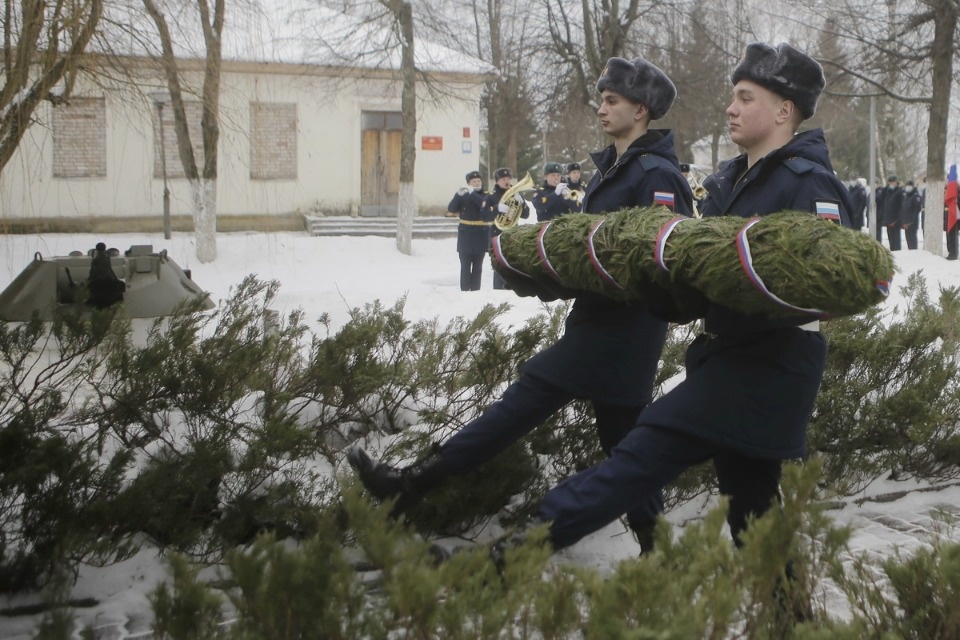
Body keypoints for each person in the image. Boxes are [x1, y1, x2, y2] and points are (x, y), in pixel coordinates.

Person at [502, 42, 854, 560]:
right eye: (732, 97)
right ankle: (788, 618)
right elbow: (698, 279)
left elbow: (828, 282)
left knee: (642, 450)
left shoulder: (810, 184)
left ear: (784, 110)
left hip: (768, 368)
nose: (730, 108)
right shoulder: (731, 183)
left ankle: (511, 555)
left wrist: (737, 279)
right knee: (754, 517)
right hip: (727, 358)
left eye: (745, 97)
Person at [348, 55, 693, 554]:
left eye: (612, 100)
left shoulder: (658, 176)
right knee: (627, 452)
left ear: (640, 110)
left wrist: (585, 270)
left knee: (523, 402)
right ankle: (658, 548)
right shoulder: (613, 170)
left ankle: (414, 483)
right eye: (601, 98)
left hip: (622, 335)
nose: (601, 107)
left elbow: (661, 258)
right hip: (597, 325)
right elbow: (589, 249)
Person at [448, 170, 494, 291]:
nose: (477, 183)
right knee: (465, 265)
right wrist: (458, 195)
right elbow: (451, 208)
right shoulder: (464, 195)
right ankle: (464, 290)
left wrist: (473, 194)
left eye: (478, 181)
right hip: (466, 234)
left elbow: (484, 206)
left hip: (481, 233)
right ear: (468, 183)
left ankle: (475, 291)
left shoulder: (486, 195)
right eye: (474, 181)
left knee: (478, 266)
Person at [487, 167, 528, 289]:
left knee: (513, 263)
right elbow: (484, 215)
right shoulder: (491, 196)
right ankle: (498, 289)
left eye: (508, 178)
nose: (506, 181)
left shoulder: (515, 194)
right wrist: (496, 208)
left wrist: (523, 203)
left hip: (512, 234)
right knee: (499, 264)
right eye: (503, 179)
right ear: (497, 181)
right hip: (497, 234)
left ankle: (513, 289)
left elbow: (526, 215)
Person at [86, 242, 125, 309]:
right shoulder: (107, 258)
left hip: (97, 282)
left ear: (97, 249)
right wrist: (116, 280)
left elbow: (92, 272)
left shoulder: (95, 260)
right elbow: (110, 270)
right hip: (108, 281)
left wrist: (89, 281)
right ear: (105, 248)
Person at [876, 175, 903, 249]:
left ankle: (897, 253)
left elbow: (901, 207)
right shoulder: (887, 192)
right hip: (888, 220)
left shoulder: (899, 192)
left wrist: (896, 220)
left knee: (896, 241)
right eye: (890, 182)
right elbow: (881, 199)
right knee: (891, 240)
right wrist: (885, 188)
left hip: (895, 221)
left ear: (896, 182)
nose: (891, 184)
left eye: (893, 182)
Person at [898, 179, 923, 250]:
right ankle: (910, 252)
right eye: (907, 185)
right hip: (905, 222)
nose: (908, 187)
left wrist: (910, 222)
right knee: (908, 239)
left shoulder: (916, 196)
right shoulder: (905, 196)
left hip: (912, 223)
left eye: (910, 185)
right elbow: (903, 209)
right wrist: (903, 222)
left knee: (912, 240)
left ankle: (914, 252)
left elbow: (917, 210)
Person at [945, 165, 958, 260]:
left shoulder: (957, 190)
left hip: (955, 215)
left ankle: (954, 253)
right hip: (947, 215)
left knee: (953, 235)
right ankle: (950, 252)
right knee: (948, 235)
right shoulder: (947, 189)